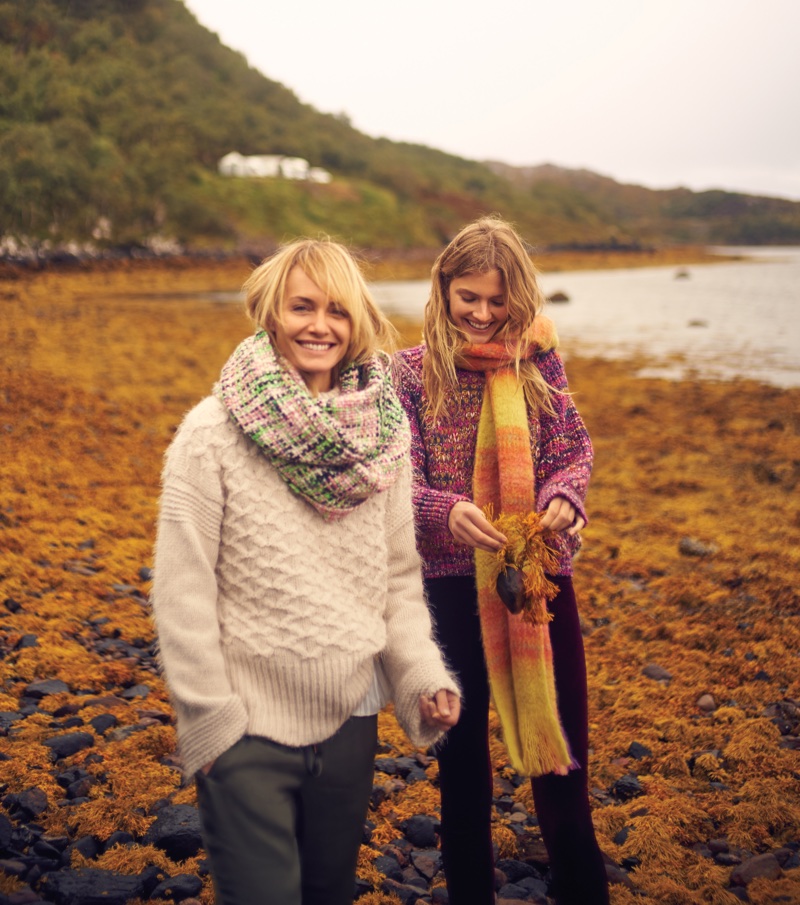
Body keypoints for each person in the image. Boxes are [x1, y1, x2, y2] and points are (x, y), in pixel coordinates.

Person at [151, 237, 461, 905]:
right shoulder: (211, 435)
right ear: (270, 312)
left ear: (358, 326)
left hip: (351, 721)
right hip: (247, 731)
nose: (320, 325)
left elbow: (400, 581)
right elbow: (182, 594)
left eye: (337, 311)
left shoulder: (385, 437)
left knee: (328, 894)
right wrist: (211, 724)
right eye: (302, 307)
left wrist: (421, 675)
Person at [393, 216, 609, 905]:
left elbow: (573, 449)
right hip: (450, 589)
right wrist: (442, 512)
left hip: (535, 584)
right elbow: (397, 477)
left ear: (519, 296)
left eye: (497, 301)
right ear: (444, 289)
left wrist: (563, 498)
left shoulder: (538, 361)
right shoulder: (406, 373)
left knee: (564, 765)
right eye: (468, 299)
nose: (483, 315)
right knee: (461, 771)